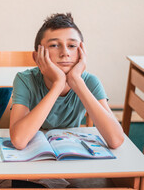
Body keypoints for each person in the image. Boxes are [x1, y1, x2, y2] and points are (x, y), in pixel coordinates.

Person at [9, 13, 124, 151]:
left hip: (70, 151)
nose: (65, 53)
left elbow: (116, 140)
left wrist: (76, 81)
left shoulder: (90, 82)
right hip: (35, 151)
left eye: (72, 45)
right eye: (54, 45)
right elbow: (19, 140)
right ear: (37, 56)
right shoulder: (25, 80)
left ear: (82, 52)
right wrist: (58, 84)